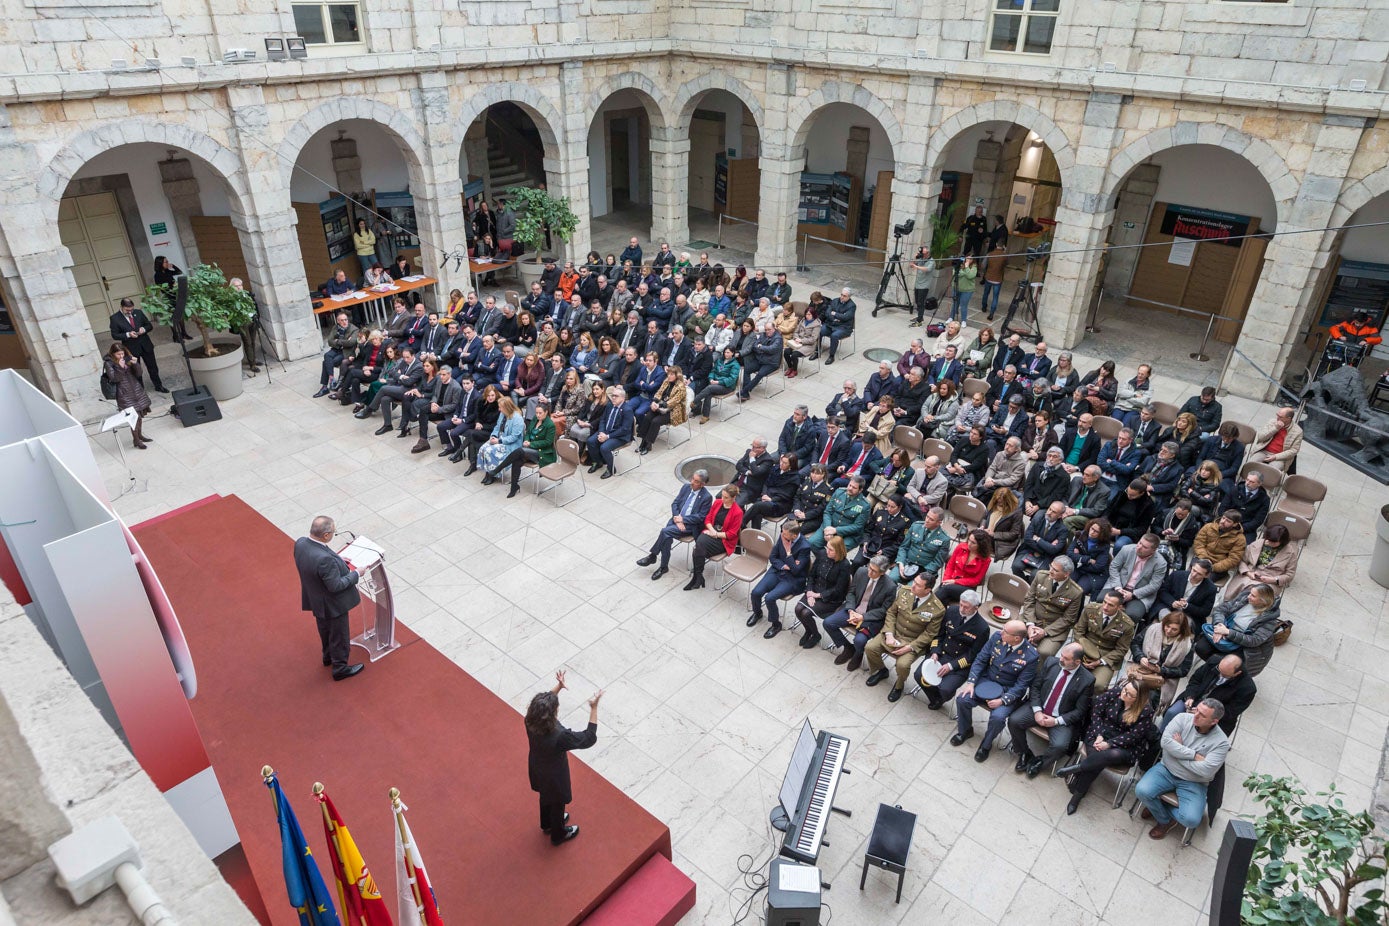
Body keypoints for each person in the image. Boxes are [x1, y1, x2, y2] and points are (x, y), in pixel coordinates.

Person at [1055, 678, 1157, 815]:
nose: (1124, 693)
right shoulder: (1115, 692)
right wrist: (1099, 735)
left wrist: (1109, 744)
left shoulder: (1145, 711)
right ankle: (1077, 795)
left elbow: (1133, 736)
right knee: (1097, 758)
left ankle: (1077, 771)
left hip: (1124, 745)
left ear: (1137, 699)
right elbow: (1096, 712)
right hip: (1100, 733)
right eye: (1125, 689)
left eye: (1129, 694)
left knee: (1108, 755)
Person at [526, 670, 601, 846]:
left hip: (537, 767)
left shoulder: (529, 720)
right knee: (557, 801)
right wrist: (594, 708)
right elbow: (588, 738)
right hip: (555, 776)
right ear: (552, 713)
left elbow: (542, 706)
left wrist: (558, 687)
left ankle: (547, 823)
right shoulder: (559, 736)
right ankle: (558, 833)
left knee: (544, 796)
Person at [1135, 698, 1229, 840]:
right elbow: (1165, 742)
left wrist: (1177, 753)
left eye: (1202, 715)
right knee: (1141, 791)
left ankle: (1157, 807)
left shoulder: (1221, 743)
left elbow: (1206, 771)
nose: (1195, 715)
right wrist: (1193, 755)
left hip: (1194, 781)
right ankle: (1164, 820)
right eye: (1197, 709)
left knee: (1191, 820)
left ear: (1214, 721)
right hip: (1166, 769)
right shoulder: (1182, 718)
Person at [952, 619, 1039, 762]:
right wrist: (971, 683)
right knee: (962, 700)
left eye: (1005, 631)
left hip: (1007, 691)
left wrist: (1003, 700)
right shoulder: (997, 638)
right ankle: (965, 730)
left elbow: (1022, 685)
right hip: (987, 681)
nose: (1001, 632)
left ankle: (986, 745)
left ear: (1016, 638)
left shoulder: (1031, 656)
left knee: (998, 718)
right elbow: (980, 660)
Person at [1006, 642, 1095, 779]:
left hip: (1060, 717)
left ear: (1077, 662)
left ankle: (1040, 762)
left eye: (1066, 658)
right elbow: (1035, 687)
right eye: (1062, 655)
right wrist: (1037, 711)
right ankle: (1024, 752)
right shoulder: (1051, 663)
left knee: (1060, 746)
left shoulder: (1087, 680)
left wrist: (1056, 721)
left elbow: (1080, 711)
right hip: (1039, 708)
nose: (1061, 659)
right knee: (1014, 721)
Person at [292, 516, 363, 681]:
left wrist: (338, 560)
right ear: (325, 535)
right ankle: (340, 668)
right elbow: (336, 585)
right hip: (333, 604)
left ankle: (328, 657)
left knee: (324, 630)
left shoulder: (301, 543)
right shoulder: (324, 560)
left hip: (316, 599)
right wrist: (356, 574)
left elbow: (316, 563)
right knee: (339, 636)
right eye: (333, 532)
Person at [864, 573, 945, 702]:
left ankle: (899, 685)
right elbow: (891, 612)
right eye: (914, 582)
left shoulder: (937, 609)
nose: (913, 586)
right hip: (894, 632)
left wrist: (909, 648)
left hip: (911, 641)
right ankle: (881, 670)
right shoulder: (904, 591)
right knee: (870, 647)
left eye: (918, 585)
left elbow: (930, 634)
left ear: (928, 590)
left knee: (902, 665)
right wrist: (889, 634)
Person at [913, 589, 989, 709]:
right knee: (918, 675)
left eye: (966, 607)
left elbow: (973, 655)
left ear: (976, 607)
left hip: (959, 662)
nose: (962, 609)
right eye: (961, 605)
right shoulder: (951, 611)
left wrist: (951, 666)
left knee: (945, 689)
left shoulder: (982, 627)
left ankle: (940, 698)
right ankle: (935, 698)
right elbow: (939, 634)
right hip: (941, 654)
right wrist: (935, 651)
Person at [823, 555, 895, 670]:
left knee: (859, 640)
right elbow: (851, 592)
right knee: (828, 623)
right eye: (869, 568)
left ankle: (858, 654)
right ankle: (848, 647)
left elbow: (883, 611)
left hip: (870, 619)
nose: (869, 572)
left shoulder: (890, 587)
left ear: (882, 573)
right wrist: (851, 610)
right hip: (854, 609)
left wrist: (862, 617)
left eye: (874, 571)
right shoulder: (861, 572)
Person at [637, 471, 712, 580]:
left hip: (690, 526)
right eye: (692, 479)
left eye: (696, 481)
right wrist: (678, 519)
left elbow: (701, 517)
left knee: (665, 532)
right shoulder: (686, 487)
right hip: (677, 520)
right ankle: (663, 567)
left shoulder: (706, 497)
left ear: (702, 484)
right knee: (666, 538)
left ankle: (653, 556)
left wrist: (683, 519)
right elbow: (675, 503)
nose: (692, 482)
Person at [1195, 584, 1281, 676]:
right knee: (1201, 648)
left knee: (1224, 662)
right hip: (1225, 629)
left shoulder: (1269, 620)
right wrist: (1219, 626)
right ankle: (1214, 669)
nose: (1248, 596)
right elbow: (1221, 610)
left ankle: (1221, 673)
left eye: (1253, 595)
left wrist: (1228, 632)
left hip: (1244, 647)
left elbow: (1254, 640)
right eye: (1250, 593)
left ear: (1262, 601)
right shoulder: (1244, 598)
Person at [1164, 653, 1255, 736]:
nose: (1219, 675)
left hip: (1215, 716)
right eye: (1219, 670)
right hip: (1194, 699)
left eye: (1224, 675)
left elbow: (1231, 712)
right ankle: (1159, 740)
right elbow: (1195, 680)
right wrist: (1190, 696)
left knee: (1196, 733)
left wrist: (1206, 713)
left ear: (1237, 673)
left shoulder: (1247, 688)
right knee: (1172, 713)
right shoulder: (1214, 661)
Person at [750, 521, 812, 638]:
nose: (782, 535)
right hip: (777, 570)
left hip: (792, 579)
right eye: (782, 532)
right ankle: (757, 613)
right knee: (756, 592)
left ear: (793, 536)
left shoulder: (805, 547)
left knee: (770, 598)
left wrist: (788, 554)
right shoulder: (783, 536)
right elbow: (773, 557)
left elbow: (796, 571)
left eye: (785, 534)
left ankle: (776, 624)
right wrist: (785, 565)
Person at [792, 535, 853, 649]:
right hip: (815, 590)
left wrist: (818, 595)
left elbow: (838, 589)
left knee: (806, 613)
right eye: (827, 548)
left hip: (830, 598)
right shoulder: (822, 554)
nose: (827, 551)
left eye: (831, 550)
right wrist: (809, 592)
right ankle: (809, 631)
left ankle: (816, 635)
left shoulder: (844, 565)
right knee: (798, 609)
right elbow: (811, 575)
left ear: (838, 551)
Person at [1128, 609, 1194, 712]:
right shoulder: (1152, 629)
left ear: (1181, 630)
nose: (1168, 631)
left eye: (1174, 629)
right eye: (1167, 626)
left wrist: (1162, 670)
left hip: (1162, 682)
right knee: (1128, 693)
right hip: (1141, 672)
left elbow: (1184, 670)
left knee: (1148, 704)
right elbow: (1135, 643)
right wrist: (1140, 657)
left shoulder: (1187, 644)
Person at [1070, 588, 1136, 690]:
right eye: (1105, 602)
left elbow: (1121, 650)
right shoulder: (1090, 609)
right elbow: (1078, 632)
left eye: (1110, 605)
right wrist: (1082, 653)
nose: (1105, 607)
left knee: (1099, 685)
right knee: (1067, 671)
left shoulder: (1127, 625)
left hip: (1106, 657)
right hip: (1084, 649)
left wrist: (1100, 661)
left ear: (1119, 607)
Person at [488, 400, 556, 497]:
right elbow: (528, 432)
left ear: (546, 412)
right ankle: (514, 487)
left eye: (540, 413)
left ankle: (497, 469)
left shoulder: (550, 425)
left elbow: (548, 442)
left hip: (543, 453)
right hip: (529, 449)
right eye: (536, 412)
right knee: (517, 459)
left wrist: (530, 444)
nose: (538, 415)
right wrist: (526, 440)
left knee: (519, 451)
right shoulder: (535, 419)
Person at [1021, 555, 1085, 657]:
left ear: (1066, 574)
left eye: (1055, 570)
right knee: (1012, 631)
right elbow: (1029, 599)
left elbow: (1068, 619)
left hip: (1054, 629)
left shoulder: (1076, 592)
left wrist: (1045, 632)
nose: (1050, 571)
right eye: (1051, 566)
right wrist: (1030, 624)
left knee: (1044, 652)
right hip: (1032, 618)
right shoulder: (1041, 575)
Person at [687, 485, 743, 590]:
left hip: (723, 540)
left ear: (733, 498)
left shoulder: (738, 512)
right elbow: (707, 519)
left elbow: (731, 534)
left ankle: (697, 577)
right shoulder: (717, 502)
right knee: (700, 545)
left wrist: (716, 534)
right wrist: (712, 530)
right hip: (710, 532)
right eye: (722, 496)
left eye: (726, 497)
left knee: (699, 546)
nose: (723, 499)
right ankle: (698, 577)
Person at [1224, 523, 1298, 602]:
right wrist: (1248, 572)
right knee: (1240, 587)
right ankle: (1228, 604)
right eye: (1268, 540)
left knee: (1257, 593)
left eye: (1273, 542)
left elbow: (1290, 575)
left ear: (1282, 541)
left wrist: (1273, 579)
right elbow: (1242, 560)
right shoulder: (1258, 543)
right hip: (1250, 573)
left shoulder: (1290, 553)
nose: (1269, 543)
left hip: (1271, 580)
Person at [108, 297, 168, 393]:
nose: (130, 312)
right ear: (121, 307)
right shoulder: (115, 318)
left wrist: (143, 329)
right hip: (130, 348)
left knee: (153, 367)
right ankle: (141, 390)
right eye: (127, 310)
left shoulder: (138, 313)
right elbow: (114, 335)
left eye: (131, 309)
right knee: (136, 370)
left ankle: (158, 385)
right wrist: (128, 334)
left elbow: (149, 325)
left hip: (145, 345)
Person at [102, 343, 154, 449]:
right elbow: (114, 379)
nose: (121, 356)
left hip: (136, 390)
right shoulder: (109, 363)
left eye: (122, 353)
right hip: (124, 394)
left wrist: (135, 364)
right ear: (112, 354)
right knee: (133, 418)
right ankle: (136, 440)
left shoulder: (127, 359)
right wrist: (120, 367)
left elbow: (139, 374)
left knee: (139, 417)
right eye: (118, 354)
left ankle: (139, 436)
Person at [1105, 532, 1167, 620]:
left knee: (1133, 615)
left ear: (1153, 550)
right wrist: (1117, 587)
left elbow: (1155, 585)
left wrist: (1133, 594)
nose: (1139, 547)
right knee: (1101, 601)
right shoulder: (1127, 549)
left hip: (1140, 593)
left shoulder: (1161, 563)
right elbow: (1114, 567)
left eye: (1145, 547)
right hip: (1118, 585)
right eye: (1139, 543)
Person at [805, 476, 872, 551]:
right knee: (811, 543)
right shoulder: (839, 492)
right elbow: (828, 512)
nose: (850, 488)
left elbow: (857, 526)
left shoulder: (865, 505)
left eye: (854, 488)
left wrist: (836, 530)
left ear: (860, 490)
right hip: (829, 526)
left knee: (836, 551)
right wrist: (828, 528)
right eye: (849, 485)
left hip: (848, 535)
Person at [890, 505, 951, 584]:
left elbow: (937, 562)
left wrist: (922, 574)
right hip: (907, 563)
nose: (927, 520)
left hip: (924, 570)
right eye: (927, 517)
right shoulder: (916, 526)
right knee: (890, 579)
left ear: (939, 523)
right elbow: (903, 547)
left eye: (931, 519)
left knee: (911, 588)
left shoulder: (944, 539)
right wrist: (901, 563)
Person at [634, 364, 687, 454]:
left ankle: (648, 444)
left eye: (671, 374)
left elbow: (674, 402)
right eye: (668, 374)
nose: (669, 376)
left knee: (655, 421)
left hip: (673, 411)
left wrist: (660, 405)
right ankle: (643, 442)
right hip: (661, 406)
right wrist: (654, 401)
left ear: (677, 375)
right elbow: (659, 392)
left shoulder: (681, 387)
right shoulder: (666, 381)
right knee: (648, 418)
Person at [585, 386, 635, 479]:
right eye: (612, 395)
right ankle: (597, 462)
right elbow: (603, 419)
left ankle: (611, 468)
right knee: (590, 441)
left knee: (604, 448)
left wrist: (607, 436)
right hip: (606, 431)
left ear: (623, 398)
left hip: (620, 436)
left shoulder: (627, 410)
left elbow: (624, 429)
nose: (613, 398)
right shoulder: (610, 404)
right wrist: (601, 432)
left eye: (616, 396)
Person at [1151, 558, 1218, 627]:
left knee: (1180, 625)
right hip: (1168, 607)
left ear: (1206, 576)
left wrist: (1187, 606)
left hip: (1189, 615)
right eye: (1194, 570)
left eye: (1199, 574)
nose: (1194, 575)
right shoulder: (1177, 575)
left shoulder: (1210, 589)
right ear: (1191, 567)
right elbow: (1162, 591)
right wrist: (1172, 602)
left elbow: (1205, 611)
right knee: (1168, 620)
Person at [1011, 501, 1070, 579]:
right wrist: (1047, 547)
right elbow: (1027, 538)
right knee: (1016, 566)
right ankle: (1024, 584)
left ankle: (1030, 587)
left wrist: (1038, 539)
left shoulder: (1063, 530)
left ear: (1060, 516)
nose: (1049, 513)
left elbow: (1054, 550)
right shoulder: (1038, 518)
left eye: (1054, 512)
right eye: (1049, 509)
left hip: (1046, 557)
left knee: (1036, 575)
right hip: (1029, 550)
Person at [742, 452, 801, 530]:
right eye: (781, 461)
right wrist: (764, 494)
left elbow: (786, 495)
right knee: (757, 511)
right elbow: (766, 483)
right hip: (767, 497)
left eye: (785, 463)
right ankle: (754, 533)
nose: (781, 464)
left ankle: (740, 525)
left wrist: (771, 499)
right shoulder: (776, 469)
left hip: (780, 504)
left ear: (791, 465)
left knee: (758, 506)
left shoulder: (795, 478)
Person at [935, 530, 993, 606]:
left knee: (945, 590)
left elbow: (976, 580)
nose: (969, 544)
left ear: (981, 545)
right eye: (969, 540)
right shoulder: (961, 547)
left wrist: (955, 582)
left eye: (973, 543)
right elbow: (950, 566)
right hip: (950, 581)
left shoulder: (986, 559)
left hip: (967, 587)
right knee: (944, 598)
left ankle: (924, 609)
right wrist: (946, 580)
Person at [692, 345, 740, 423]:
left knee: (710, 388)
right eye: (725, 352)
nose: (726, 354)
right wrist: (711, 378)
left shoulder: (735, 365)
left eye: (728, 352)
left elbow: (732, 379)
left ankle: (695, 401)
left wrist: (718, 382)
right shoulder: (720, 360)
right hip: (715, 384)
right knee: (708, 393)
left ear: (733, 353)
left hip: (727, 386)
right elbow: (713, 371)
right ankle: (705, 416)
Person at [1192, 510, 1247, 578]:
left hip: (1218, 566)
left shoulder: (1240, 539)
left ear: (1235, 524)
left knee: (1203, 580)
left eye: (1228, 521)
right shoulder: (1208, 527)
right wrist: (1204, 558)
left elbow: (1233, 559)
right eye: (1223, 518)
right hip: (1201, 557)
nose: (1223, 521)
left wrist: (1213, 567)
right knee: (1190, 575)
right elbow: (1199, 543)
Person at [1248, 407, 1303, 471]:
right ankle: (1244, 481)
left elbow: (1294, 450)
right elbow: (1260, 437)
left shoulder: (1298, 431)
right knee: (1250, 465)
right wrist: (1275, 428)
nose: (1277, 418)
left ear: (1288, 419)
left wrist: (1276, 457)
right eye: (1277, 415)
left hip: (1280, 457)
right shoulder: (1272, 422)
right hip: (1263, 451)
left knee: (1271, 472)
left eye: (1280, 417)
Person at [1224, 471, 1270, 543]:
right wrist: (1228, 522)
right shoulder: (1234, 489)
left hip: (1247, 528)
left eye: (1252, 482)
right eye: (1247, 480)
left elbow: (1258, 520)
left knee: (1244, 546)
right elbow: (1223, 508)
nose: (1247, 483)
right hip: (1227, 522)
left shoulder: (1264, 499)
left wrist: (1240, 528)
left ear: (1259, 484)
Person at [820, 288, 856, 364]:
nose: (842, 297)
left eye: (844, 296)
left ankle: (831, 356)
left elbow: (846, 317)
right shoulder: (835, 300)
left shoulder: (852, 306)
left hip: (844, 327)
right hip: (831, 324)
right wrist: (835, 318)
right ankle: (817, 350)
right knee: (820, 330)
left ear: (849, 297)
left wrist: (835, 313)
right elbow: (827, 312)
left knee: (834, 335)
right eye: (841, 295)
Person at [909, 246, 938, 327]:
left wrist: (916, 266)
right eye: (922, 253)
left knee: (921, 303)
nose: (923, 255)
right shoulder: (921, 258)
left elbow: (927, 269)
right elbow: (911, 265)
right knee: (917, 302)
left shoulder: (932, 261)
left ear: (928, 253)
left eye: (924, 253)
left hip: (924, 286)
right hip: (917, 284)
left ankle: (919, 321)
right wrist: (915, 257)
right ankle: (920, 317)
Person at [950, 256, 977, 324]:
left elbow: (971, 276)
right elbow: (955, 273)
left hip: (967, 290)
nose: (968, 260)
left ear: (973, 260)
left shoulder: (974, 267)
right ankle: (951, 317)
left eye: (971, 258)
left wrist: (967, 267)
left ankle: (963, 320)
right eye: (967, 258)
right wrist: (965, 273)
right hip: (957, 288)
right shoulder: (959, 264)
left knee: (964, 305)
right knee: (955, 303)